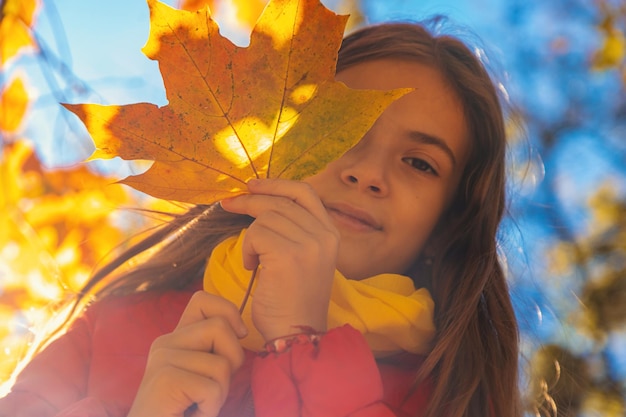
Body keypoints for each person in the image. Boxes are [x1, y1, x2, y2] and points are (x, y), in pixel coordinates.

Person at [0, 19, 522, 417]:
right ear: (276, 144)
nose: (368, 173)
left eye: (420, 163)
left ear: (446, 228)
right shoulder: (106, 326)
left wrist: (301, 344)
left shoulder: (449, 397)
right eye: (341, 130)